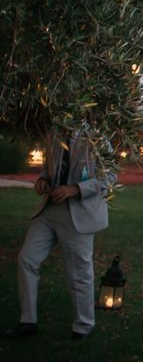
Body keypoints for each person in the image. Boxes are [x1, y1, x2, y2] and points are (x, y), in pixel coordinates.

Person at [2, 128, 112, 340]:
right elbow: (48, 166)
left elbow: (109, 176)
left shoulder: (97, 137)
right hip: (49, 210)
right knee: (27, 259)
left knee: (79, 272)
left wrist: (75, 189)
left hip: (78, 214)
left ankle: (84, 326)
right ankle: (28, 321)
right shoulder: (53, 133)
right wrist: (43, 179)